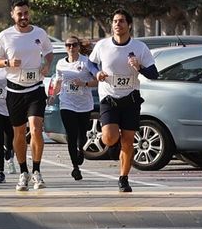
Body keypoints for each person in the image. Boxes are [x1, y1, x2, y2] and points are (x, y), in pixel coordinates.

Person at [89, 11, 159, 194]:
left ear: (129, 25)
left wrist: (139, 67)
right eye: (114, 21)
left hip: (131, 98)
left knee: (128, 141)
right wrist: (97, 73)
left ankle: (123, 178)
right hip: (109, 97)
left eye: (121, 21)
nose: (117, 24)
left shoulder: (140, 47)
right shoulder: (102, 45)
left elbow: (154, 73)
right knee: (109, 137)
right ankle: (113, 144)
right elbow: (90, 63)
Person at [0, 0, 55, 191]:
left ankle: (36, 170)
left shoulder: (39, 33)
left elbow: (49, 52)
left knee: (36, 128)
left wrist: (46, 64)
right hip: (14, 90)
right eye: (20, 14)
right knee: (19, 133)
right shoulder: (4, 36)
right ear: (13, 14)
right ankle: (23, 172)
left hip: (35, 88)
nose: (23, 17)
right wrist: (7, 63)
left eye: (26, 13)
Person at [50, 36, 99, 181]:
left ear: (78, 46)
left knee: (82, 135)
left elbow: (97, 81)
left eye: (74, 45)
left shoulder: (86, 62)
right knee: (71, 135)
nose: (71, 48)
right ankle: (75, 168)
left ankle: (81, 151)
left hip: (84, 104)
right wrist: (53, 95)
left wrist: (84, 84)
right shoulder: (60, 64)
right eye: (68, 45)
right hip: (67, 103)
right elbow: (58, 80)